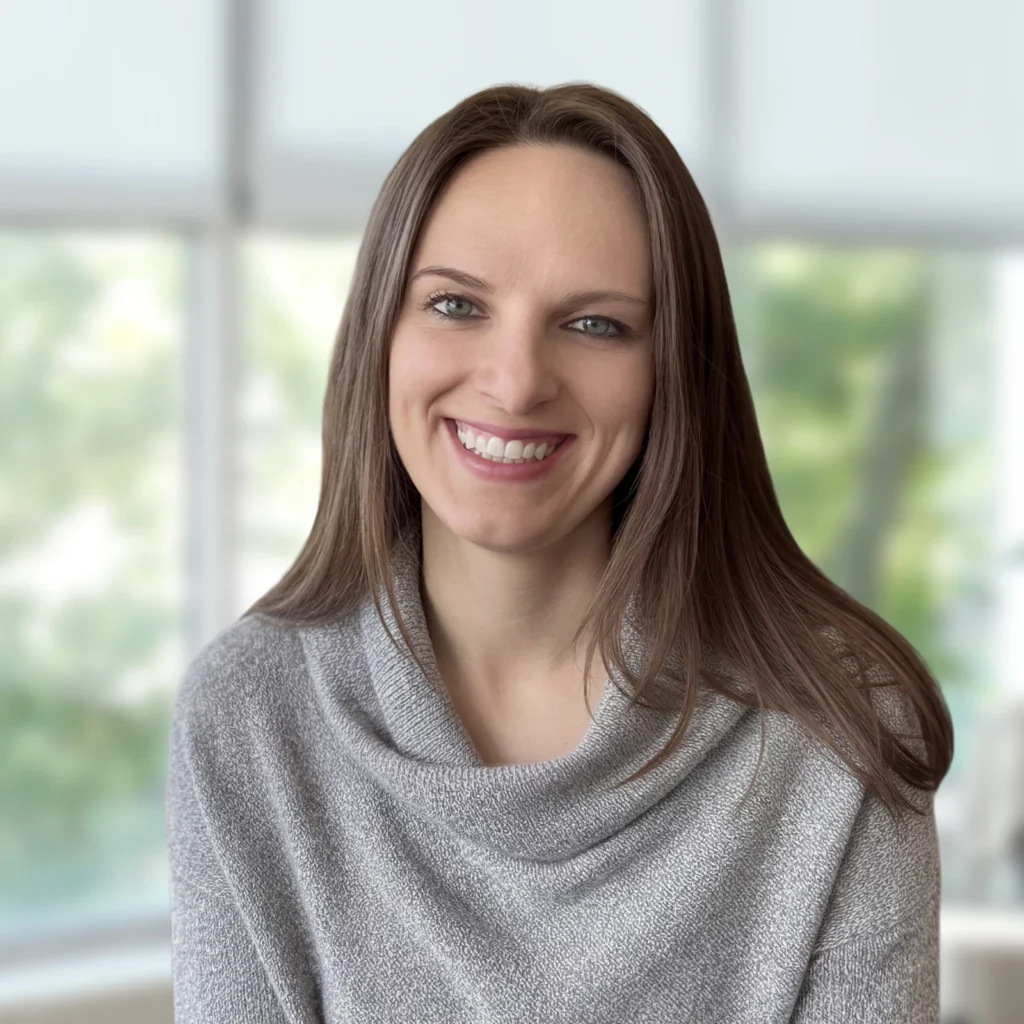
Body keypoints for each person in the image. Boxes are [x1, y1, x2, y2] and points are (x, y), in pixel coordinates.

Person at [166, 81, 953, 1023]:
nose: (515, 380)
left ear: (674, 374)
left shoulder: (840, 728)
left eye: (594, 325)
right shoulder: (249, 715)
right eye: (456, 305)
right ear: (379, 334)